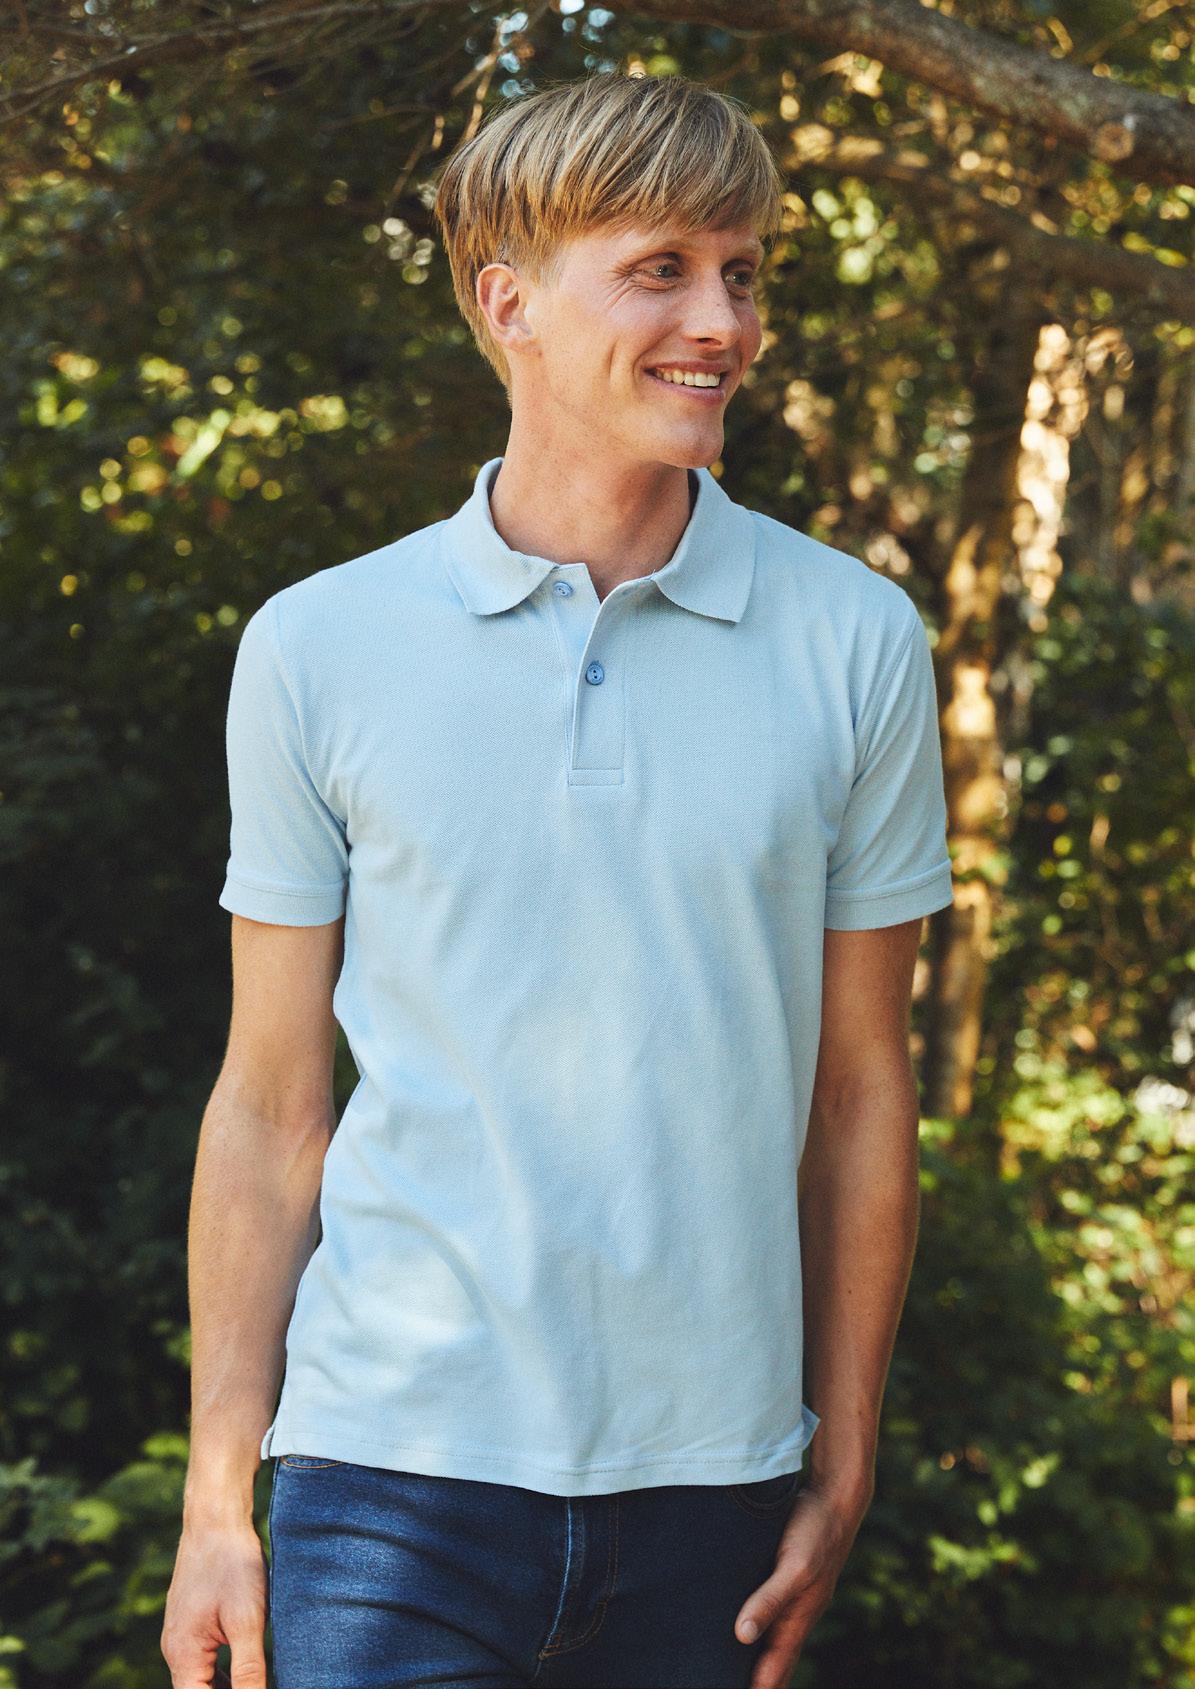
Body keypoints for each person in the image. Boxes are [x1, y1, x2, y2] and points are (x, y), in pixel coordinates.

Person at [162, 70, 954, 1689]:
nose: (721, 321)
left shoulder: (856, 640)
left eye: (740, 272)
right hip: (383, 1482)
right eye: (661, 269)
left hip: (714, 1488)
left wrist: (847, 1439)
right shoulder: (319, 646)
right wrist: (215, 1492)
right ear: (505, 301)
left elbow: (862, 1091)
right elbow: (270, 1105)